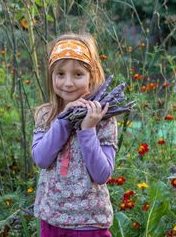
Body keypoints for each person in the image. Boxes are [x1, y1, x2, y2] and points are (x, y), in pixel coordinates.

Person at [31, 33, 118, 237]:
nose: (68, 83)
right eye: (60, 74)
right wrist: (64, 120)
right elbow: (42, 159)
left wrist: (87, 129)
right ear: (51, 76)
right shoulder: (46, 115)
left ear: (92, 76)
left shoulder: (103, 119)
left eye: (78, 74)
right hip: (51, 219)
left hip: (89, 224)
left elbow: (102, 174)